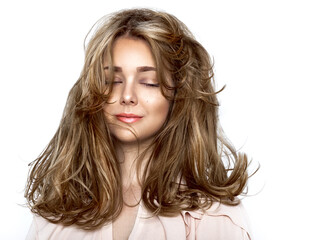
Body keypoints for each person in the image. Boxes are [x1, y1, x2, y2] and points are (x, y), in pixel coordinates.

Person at [25, 8, 253, 240]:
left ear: (179, 94)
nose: (127, 95)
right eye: (112, 80)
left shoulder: (215, 217)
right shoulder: (54, 217)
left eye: (149, 82)